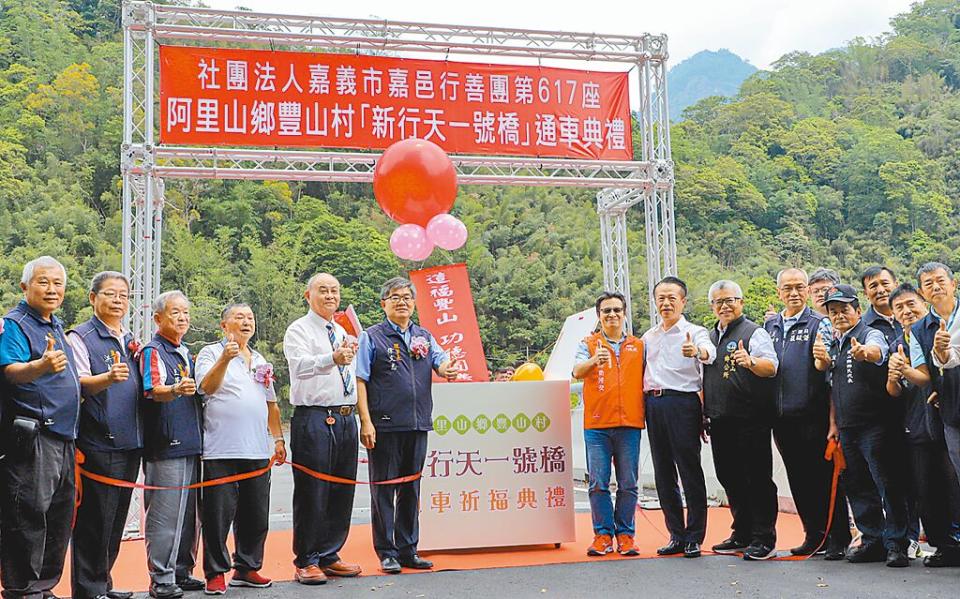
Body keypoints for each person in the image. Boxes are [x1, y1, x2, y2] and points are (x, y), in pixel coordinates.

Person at [356, 277, 458, 574]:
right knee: (384, 491)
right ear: (383, 303)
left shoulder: (423, 336)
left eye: (407, 297)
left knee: (411, 489)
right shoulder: (371, 337)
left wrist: (446, 367)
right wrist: (366, 421)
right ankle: (386, 551)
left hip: (417, 423)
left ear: (414, 303)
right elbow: (360, 379)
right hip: (384, 425)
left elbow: (441, 360)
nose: (402, 302)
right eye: (395, 297)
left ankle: (408, 549)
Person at [0, 256, 81, 599]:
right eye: (43, 282)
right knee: (28, 512)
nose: (52, 289)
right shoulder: (15, 324)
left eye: (58, 283)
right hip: (34, 434)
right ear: (24, 287)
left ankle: (44, 585)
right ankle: (22, 588)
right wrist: (41, 366)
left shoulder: (55, 325)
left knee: (58, 514)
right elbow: (11, 371)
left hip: (64, 435)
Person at [814, 284, 909, 567]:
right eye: (833, 311)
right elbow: (833, 387)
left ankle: (897, 544)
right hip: (846, 426)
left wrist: (866, 353)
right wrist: (833, 424)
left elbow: (878, 351)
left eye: (844, 309)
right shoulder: (834, 341)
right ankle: (872, 540)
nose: (839, 315)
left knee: (887, 485)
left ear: (857, 310)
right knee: (857, 485)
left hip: (876, 425)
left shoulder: (869, 332)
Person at [195, 304, 286, 594]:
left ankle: (247, 567)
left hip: (258, 449)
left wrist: (278, 439)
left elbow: (271, 404)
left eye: (250, 317)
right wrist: (224, 358)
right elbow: (205, 388)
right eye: (239, 317)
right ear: (224, 325)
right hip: (221, 448)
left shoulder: (259, 359)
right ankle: (216, 572)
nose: (246, 322)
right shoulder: (210, 352)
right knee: (218, 515)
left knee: (256, 514)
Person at [763, 268, 851, 560]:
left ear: (808, 291)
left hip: (813, 416)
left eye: (799, 287)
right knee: (798, 479)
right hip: (781, 418)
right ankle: (813, 536)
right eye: (787, 288)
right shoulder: (771, 327)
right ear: (779, 292)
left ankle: (837, 537)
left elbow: (830, 374)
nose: (794, 293)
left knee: (824, 479)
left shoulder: (819, 324)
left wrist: (832, 421)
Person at [282, 274, 363, 585]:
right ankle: (306, 559)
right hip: (314, 417)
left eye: (334, 291)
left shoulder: (341, 330)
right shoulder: (299, 330)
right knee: (312, 489)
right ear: (308, 295)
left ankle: (330, 554)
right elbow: (299, 367)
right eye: (323, 290)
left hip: (345, 417)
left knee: (342, 488)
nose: (330, 296)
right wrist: (332, 357)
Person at [66, 272, 142, 599]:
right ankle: (88, 589)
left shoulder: (129, 338)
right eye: (110, 294)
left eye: (123, 296)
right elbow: (77, 384)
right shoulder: (80, 337)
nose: (117, 301)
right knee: (94, 521)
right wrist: (107, 378)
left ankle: (104, 583)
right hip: (99, 441)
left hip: (130, 440)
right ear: (92, 298)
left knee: (115, 521)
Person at [702, 280, 779, 561]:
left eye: (730, 300)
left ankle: (764, 538)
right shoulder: (708, 337)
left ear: (741, 302)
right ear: (712, 307)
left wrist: (751, 362)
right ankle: (742, 531)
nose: (725, 306)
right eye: (719, 302)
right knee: (730, 477)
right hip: (720, 419)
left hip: (751, 418)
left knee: (757, 478)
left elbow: (771, 367)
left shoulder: (754, 333)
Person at [886, 283, 960, 568]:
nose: (907, 311)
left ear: (923, 301)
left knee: (952, 486)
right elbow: (893, 391)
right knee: (926, 490)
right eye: (899, 308)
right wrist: (895, 375)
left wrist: (939, 386)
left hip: (945, 421)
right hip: (916, 426)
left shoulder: (944, 330)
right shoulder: (897, 345)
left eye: (910, 304)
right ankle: (944, 547)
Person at [641, 276, 715, 559]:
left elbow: (710, 353)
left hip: (683, 403)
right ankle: (676, 535)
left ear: (683, 301)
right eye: (661, 297)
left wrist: (697, 351)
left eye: (672, 297)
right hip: (654, 404)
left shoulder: (695, 332)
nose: (666, 302)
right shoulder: (649, 336)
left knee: (689, 470)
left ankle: (695, 537)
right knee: (663, 472)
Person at [140, 291, 203, 599]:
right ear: (158, 318)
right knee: (165, 515)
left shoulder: (185, 351)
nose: (182, 318)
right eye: (175, 312)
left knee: (189, 515)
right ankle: (161, 578)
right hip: (165, 443)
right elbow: (153, 390)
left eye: (186, 313)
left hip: (190, 441)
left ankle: (181, 570)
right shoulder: (153, 350)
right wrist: (176, 389)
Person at [572, 292, 644, 557]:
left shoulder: (639, 345)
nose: (612, 315)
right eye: (606, 311)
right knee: (599, 483)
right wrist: (594, 361)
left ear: (624, 313)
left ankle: (625, 535)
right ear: (599, 316)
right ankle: (602, 535)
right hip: (597, 425)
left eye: (616, 310)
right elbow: (577, 371)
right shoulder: (588, 343)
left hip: (630, 424)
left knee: (628, 483)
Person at [911, 262, 960, 483]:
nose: (936, 287)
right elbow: (924, 373)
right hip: (952, 412)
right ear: (922, 293)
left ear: (953, 283)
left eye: (941, 280)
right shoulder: (918, 330)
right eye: (928, 284)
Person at [860, 266, 902, 347]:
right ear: (865, 293)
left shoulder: (911, 317)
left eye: (885, 283)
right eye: (873, 286)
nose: (881, 290)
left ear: (896, 286)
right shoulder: (861, 327)